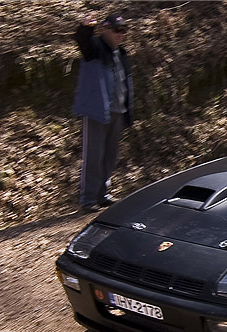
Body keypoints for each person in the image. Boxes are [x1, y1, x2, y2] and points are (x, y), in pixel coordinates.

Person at [72, 14, 133, 212]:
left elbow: (125, 83)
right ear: (105, 29)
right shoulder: (95, 48)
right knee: (94, 156)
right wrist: (85, 28)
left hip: (118, 112)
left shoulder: (121, 53)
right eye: (117, 30)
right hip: (97, 111)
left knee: (109, 156)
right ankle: (88, 199)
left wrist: (127, 110)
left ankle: (102, 195)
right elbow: (83, 42)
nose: (120, 34)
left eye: (123, 31)